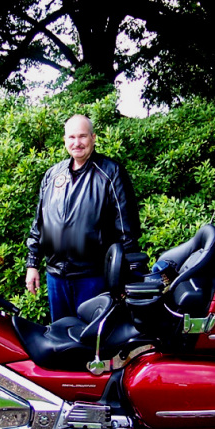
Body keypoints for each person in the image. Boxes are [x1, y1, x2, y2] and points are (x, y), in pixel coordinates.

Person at [25, 114, 141, 322]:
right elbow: (40, 224)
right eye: (71, 137)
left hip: (94, 279)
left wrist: (126, 275)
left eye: (82, 136)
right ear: (65, 140)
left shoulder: (111, 172)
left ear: (93, 138)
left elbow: (127, 229)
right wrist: (32, 263)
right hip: (56, 278)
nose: (76, 143)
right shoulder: (52, 175)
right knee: (61, 335)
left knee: (94, 338)